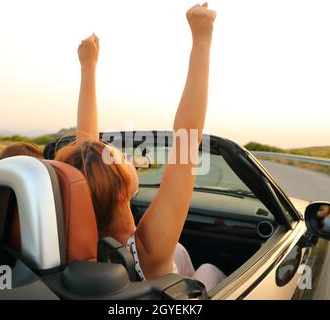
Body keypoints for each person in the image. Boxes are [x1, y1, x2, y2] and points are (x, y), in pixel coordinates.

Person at [57, 3, 225, 290]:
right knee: (208, 269)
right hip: (170, 295)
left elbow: (85, 157)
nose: (129, 158)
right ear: (123, 192)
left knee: (180, 251)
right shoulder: (148, 249)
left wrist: (88, 67)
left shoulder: (79, 247)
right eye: (121, 158)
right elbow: (187, 140)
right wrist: (202, 40)